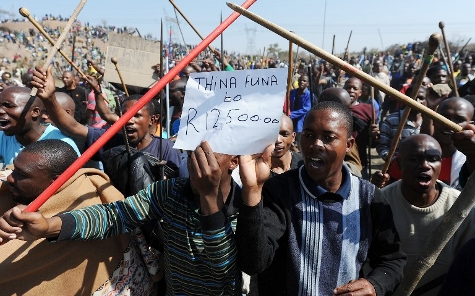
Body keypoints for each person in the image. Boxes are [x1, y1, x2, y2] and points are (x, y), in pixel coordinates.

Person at [0, 141, 243, 295]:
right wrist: (51, 225)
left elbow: (222, 270)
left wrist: (209, 200)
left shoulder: (247, 208)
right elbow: (115, 216)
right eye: (194, 149)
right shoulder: (170, 191)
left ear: (234, 160)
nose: (198, 157)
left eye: (211, 151)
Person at [237, 101, 406, 295]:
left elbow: (392, 260)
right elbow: (253, 262)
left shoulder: (368, 198)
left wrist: (375, 285)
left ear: (349, 145)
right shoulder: (279, 191)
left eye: (328, 137)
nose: (316, 144)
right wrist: (252, 190)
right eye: (309, 135)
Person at [0, 140, 155, 295]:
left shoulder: (90, 202)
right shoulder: (13, 186)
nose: (11, 178)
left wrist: (49, 227)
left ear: (55, 181)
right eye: (15, 169)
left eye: (21, 174)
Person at [31, 66, 180, 173]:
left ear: (152, 120)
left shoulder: (166, 149)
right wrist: (50, 99)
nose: (129, 120)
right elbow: (73, 127)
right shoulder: (111, 140)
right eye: (125, 115)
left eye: (137, 115)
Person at [381, 134, 475, 295]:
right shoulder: (379, 203)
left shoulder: (463, 208)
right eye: (414, 159)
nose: (425, 165)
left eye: (433, 159)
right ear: (399, 164)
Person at [0, 86, 80, 165]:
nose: (1, 110)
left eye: (8, 106)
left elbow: (77, 176)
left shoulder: (62, 143)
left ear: (35, 112)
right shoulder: (3, 137)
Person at [289, 74, 311, 146]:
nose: (302, 82)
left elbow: (306, 109)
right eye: (300, 80)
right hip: (290, 119)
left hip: (301, 121)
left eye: (304, 81)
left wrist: (291, 114)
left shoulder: (309, 95)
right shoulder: (292, 92)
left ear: (307, 84)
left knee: (298, 142)